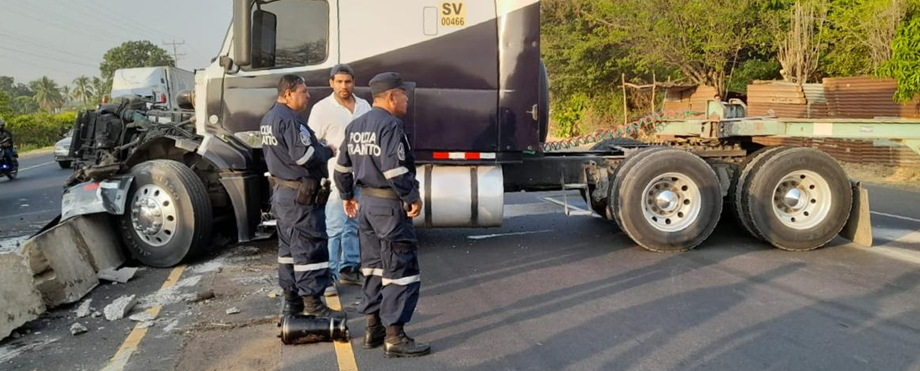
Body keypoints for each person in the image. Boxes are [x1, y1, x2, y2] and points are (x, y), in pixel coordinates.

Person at [334, 72, 430, 358]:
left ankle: (372, 328)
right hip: (389, 207)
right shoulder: (391, 126)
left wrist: (347, 195)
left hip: (367, 207)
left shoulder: (355, 126)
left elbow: (341, 169)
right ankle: (395, 337)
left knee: (373, 268)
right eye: (403, 93)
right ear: (391, 97)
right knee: (399, 269)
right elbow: (395, 170)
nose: (407, 99)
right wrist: (411, 196)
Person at [261, 75, 342, 319]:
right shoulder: (290, 121)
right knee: (309, 249)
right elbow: (304, 156)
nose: (307, 96)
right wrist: (326, 150)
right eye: (303, 92)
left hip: (283, 194)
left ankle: (292, 303)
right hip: (300, 197)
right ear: (288, 94)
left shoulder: (269, 118)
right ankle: (313, 305)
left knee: (288, 251)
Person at [307, 64, 372, 291]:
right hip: (336, 177)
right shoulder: (321, 108)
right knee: (334, 228)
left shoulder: (364, 106)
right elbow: (311, 142)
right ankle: (330, 276)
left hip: (361, 176)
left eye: (348, 81)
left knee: (354, 225)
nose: (344, 86)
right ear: (331, 83)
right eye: (339, 82)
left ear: (353, 82)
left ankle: (349, 269)